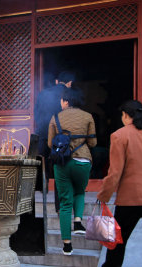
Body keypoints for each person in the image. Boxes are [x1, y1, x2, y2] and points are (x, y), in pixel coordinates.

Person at [48, 88, 97, 255]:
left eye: (61, 100)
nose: (60, 102)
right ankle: (78, 222)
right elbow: (93, 143)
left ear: (66, 101)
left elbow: (50, 144)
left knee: (65, 202)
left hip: (62, 163)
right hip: (83, 161)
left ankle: (67, 246)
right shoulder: (88, 116)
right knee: (80, 193)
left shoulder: (55, 118)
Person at [97, 100, 142, 267]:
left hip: (130, 198)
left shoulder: (120, 135)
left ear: (125, 116)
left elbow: (115, 172)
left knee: (118, 240)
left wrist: (104, 195)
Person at [34, 71, 76, 213]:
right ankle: (59, 207)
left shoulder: (43, 93)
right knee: (60, 170)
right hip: (60, 138)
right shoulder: (69, 94)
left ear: (57, 81)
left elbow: (36, 113)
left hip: (42, 134)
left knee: (41, 169)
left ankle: (38, 199)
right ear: (69, 83)